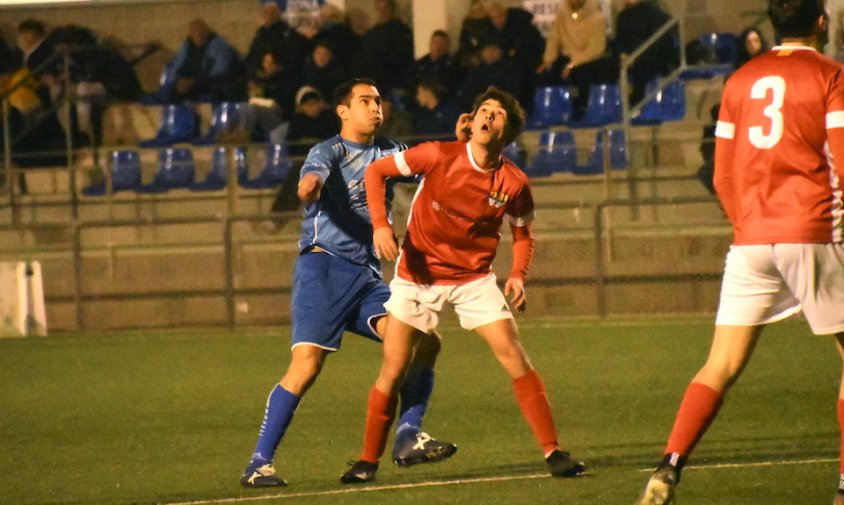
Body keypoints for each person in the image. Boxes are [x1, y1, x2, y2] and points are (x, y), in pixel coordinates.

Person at [634, 1, 844, 504]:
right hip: (811, 229)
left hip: (750, 238)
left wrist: (748, 223)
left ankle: (669, 466)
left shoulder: (740, 80)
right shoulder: (832, 76)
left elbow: (722, 175)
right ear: (821, 21)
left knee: (720, 365)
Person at [338, 87, 587, 484]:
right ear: (470, 122)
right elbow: (375, 171)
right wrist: (381, 226)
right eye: (483, 109)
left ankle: (553, 451)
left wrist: (518, 276)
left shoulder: (514, 182)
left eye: (498, 113)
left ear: (507, 132)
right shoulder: (437, 154)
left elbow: (523, 235)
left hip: (473, 279)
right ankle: (367, 462)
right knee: (394, 368)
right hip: (417, 277)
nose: (489, 116)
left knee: (514, 356)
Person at [239, 78, 457, 488]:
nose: (375, 108)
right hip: (324, 270)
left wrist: (460, 144)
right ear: (343, 110)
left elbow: (431, 160)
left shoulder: (388, 150)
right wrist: (309, 186)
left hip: (367, 277)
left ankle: (408, 436)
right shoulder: (329, 151)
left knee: (425, 339)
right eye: (364, 101)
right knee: (306, 366)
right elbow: (311, 179)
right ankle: (258, 463)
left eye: (378, 100)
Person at [536, 0, 619, 120]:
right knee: (544, 74)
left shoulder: (598, 19)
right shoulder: (562, 16)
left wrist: (572, 64)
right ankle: (552, 112)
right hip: (567, 57)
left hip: (589, 60)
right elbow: (554, 38)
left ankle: (581, 109)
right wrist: (548, 59)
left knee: (583, 73)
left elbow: (595, 50)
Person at [166, 19, 247, 103]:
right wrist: (179, 81)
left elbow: (221, 72)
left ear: (207, 32)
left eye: (201, 31)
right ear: (190, 34)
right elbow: (176, 66)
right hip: (193, 82)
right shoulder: (187, 47)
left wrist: (194, 81)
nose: (198, 35)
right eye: (194, 32)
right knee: (173, 91)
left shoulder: (219, 46)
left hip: (214, 82)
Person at [615, 0, 679, 107]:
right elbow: (619, 41)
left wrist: (635, 56)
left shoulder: (654, 13)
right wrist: (622, 54)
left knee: (642, 65)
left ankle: (637, 101)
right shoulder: (622, 17)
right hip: (630, 57)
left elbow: (657, 41)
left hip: (654, 56)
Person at [352, 0, 414, 95]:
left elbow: (402, 61)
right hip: (370, 85)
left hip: (391, 85)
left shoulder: (401, 33)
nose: (382, 12)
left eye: (385, 9)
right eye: (379, 9)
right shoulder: (370, 35)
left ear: (392, 10)